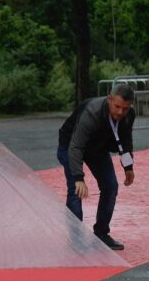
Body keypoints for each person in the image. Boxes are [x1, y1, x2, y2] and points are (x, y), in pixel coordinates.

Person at [57, 83, 136, 250]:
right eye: (117, 106)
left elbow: (126, 141)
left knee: (110, 186)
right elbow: (76, 146)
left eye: (125, 108)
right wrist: (79, 177)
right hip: (70, 144)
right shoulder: (92, 112)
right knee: (75, 190)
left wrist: (128, 166)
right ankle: (76, 240)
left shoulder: (129, 115)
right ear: (109, 99)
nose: (120, 112)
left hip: (97, 148)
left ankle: (101, 233)